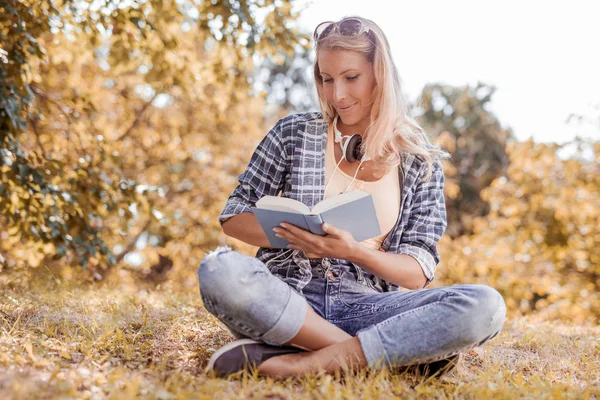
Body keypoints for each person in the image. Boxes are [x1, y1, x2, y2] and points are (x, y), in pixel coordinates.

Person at [197, 16, 506, 380]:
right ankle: (385, 355)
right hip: (287, 294)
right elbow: (233, 216)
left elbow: (417, 272)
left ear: (380, 75)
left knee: (485, 306)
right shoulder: (293, 133)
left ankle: (303, 363)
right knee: (219, 270)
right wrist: (294, 234)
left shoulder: (421, 163)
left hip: (368, 304)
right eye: (326, 80)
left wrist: (353, 251)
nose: (337, 95)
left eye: (350, 78)